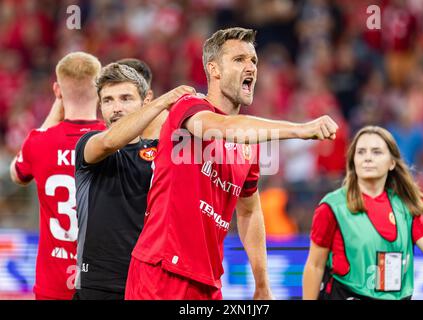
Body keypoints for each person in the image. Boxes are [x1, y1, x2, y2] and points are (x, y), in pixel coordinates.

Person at [125, 27, 339, 300]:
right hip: (162, 270)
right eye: (239, 60)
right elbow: (222, 126)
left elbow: (249, 212)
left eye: (253, 61)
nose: (250, 67)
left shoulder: (246, 146)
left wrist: (262, 284)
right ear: (214, 70)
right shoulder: (189, 106)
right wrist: (300, 130)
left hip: (209, 282)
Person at [73, 62, 195, 300]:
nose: (116, 108)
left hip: (148, 286)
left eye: (126, 98)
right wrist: (164, 102)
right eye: (108, 100)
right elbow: (110, 142)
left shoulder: (162, 153)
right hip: (98, 286)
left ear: (145, 101)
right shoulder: (89, 144)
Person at [303, 125, 423, 300]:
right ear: (353, 161)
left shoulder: (405, 207)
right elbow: (315, 265)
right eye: (361, 152)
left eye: (376, 152)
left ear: (392, 163)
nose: (368, 158)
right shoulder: (333, 206)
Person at [9, 52, 105, 300]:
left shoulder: (38, 142)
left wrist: (57, 105)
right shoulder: (113, 141)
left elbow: (16, 174)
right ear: (100, 88)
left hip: (52, 282)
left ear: (56, 89)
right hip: (103, 280)